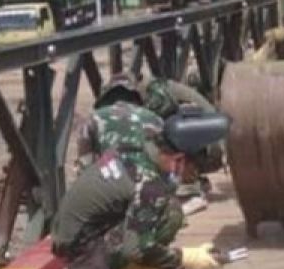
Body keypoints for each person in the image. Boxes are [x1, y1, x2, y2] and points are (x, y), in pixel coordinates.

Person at [52, 107, 230, 269]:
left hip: (93, 219)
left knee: (171, 212)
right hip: (75, 238)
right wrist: (186, 258)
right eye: (193, 171)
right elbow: (135, 247)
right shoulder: (149, 184)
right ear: (179, 159)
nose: (191, 177)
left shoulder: (144, 150)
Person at [78, 74, 218, 213]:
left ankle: (189, 191)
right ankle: (189, 183)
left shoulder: (157, 100)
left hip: (214, 147)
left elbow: (85, 170)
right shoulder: (148, 111)